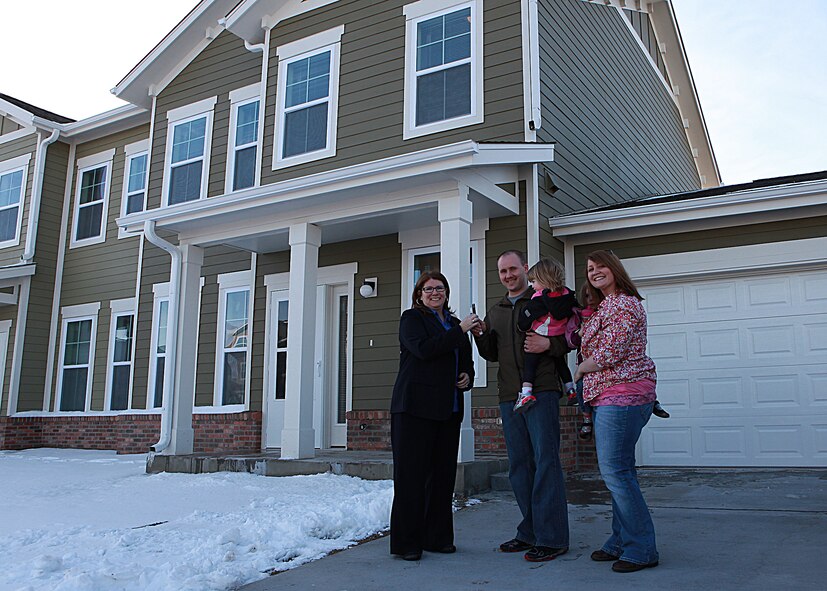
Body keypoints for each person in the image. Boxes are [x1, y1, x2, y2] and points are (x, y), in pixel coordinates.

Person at [472, 250, 570, 562]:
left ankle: (553, 538)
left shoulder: (545, 298)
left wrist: (549, 345)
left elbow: (569, 338)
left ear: (525, 269)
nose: (509, 275)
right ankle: (529, 531)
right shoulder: (497, 310)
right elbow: (491, 353)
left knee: (546, 462)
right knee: (519, 466)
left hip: (541, 390)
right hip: (509, 395)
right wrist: (480, 335)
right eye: (503, 271)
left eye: (513, 269)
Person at [574, 250, 660, 573]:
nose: (595, 272)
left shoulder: (623, 303)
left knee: (615, 472)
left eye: (600, 266)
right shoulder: (605, 305)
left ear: (615, 269)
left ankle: (641, 548)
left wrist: (582, 367)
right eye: (590, 269)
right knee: (621, 472)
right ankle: (621, 539)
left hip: (622, 395)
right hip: (609, 396)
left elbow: (613, 350)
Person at [389, 271, 479, 562]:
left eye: (439, 288)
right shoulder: (412, 320)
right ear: (419, 294)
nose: (434, 292)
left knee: (442, 478)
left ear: (446, 293)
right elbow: (425, 350)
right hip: (414, 410)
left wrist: (468, 376)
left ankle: (437, 537)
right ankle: (407, 543)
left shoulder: (453, 324)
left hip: (448, 410)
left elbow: (464, 358)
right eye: (428, 289)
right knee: (411, 478)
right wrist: (460, 330)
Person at [513, 259, 578, 414]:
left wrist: (523, 323)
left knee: (530, 363)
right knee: (561, 364)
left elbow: (524, 321)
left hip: (540, 332)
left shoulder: (540, 297)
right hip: (558, 334)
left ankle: (526, 392)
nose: (532, 285)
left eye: (534, 281)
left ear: (544, 279)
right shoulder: (567, 296)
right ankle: (570, 389)